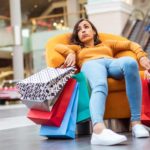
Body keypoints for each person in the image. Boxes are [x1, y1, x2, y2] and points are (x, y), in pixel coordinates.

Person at [54, 18, 150, 146]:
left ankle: (136, 123)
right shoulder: (77, 48)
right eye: (79, 30)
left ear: (93, 31)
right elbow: (56, 45)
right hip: (91, 64)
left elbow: (130, 44)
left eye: (86, 27)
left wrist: (141, 56)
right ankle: (98, 130)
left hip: (111, 63)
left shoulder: (107, 44)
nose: (83, 30)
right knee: (100, 84)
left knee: (130, 63)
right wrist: (70, 52)